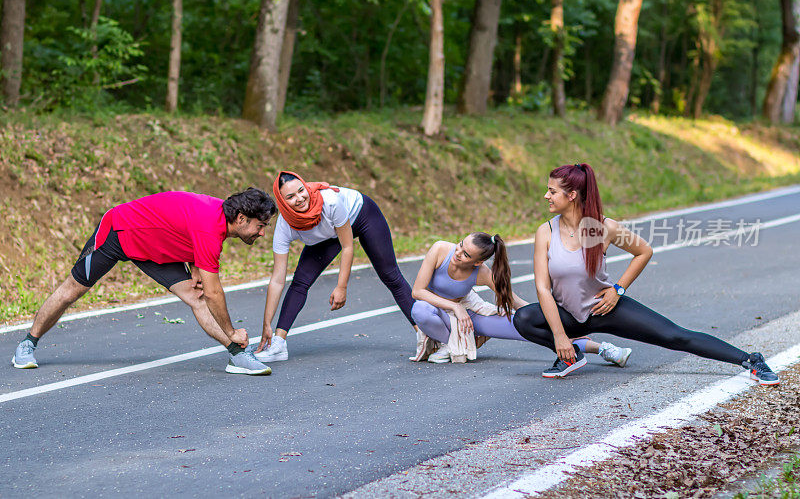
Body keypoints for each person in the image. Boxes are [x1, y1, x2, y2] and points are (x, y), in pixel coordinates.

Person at [512, 163, 779, 384]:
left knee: (675, 336)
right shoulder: (545, 231)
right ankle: (569, 357)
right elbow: (542, 288)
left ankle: (750, 360)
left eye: (552, 191)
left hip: (605, 308)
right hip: (567, 314)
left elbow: (644, 251)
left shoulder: (604, 227)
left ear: (571, 195)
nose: (546, 196)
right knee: (524, 318)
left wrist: (618, 290)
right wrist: (559, 336)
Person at [12, 188, 277, 375]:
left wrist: (195, 265)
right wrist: (232, 330)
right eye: (260, 225)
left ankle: (237, 354)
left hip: (155, 248)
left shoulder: (219, 216)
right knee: (72, 291)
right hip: (119, 232)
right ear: (241, 218)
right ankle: (28, 343)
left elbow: (185, 226)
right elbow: (214, 293)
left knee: (195, 296)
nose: (263, 232)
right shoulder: (210, 229)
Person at [254, 171, 417, 362]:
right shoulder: (285, 226)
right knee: (300, 282)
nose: (299, 198)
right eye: (290, 197)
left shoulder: (330, 201)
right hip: (328, 232)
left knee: (390, 275)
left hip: (362, 215)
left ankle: (425, 334)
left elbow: (347, 246)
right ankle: (278, 344)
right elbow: (277, 279)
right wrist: (267, 324)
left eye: (301, 190)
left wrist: (341, 287)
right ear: (282, 202)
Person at [409, 232, 632, 366]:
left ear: (477, 263)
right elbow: (418, 291)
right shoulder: (440, 249)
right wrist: (454, 308)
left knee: (530, 330)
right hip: (441, 312)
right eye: (460, 245)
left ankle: (604, 349)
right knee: (419, 310)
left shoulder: (483, 273)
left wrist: (556, 324)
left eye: (466, 254)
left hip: (471, 316)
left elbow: (515, 303)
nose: (458, 253)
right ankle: (452, 344)